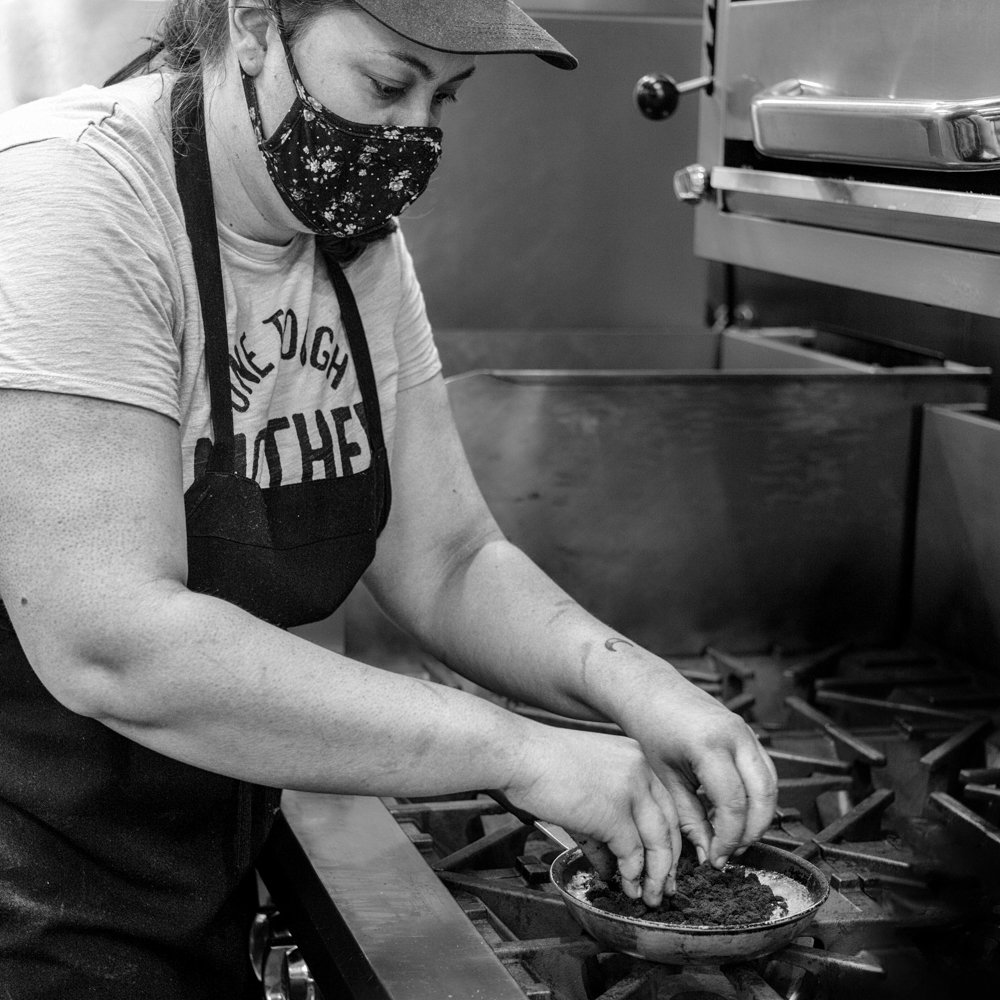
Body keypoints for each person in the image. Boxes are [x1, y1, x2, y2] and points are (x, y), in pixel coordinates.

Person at [0, 1, 778, 996]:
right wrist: (521, 752)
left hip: (186, 865)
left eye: (444, 95)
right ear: (249, 25)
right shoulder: (71, 197)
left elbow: (446, 559)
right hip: (25, 897)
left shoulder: (348, 237)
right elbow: (113, 638)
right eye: (384, 83)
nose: (413, 132)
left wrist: (634, 684)